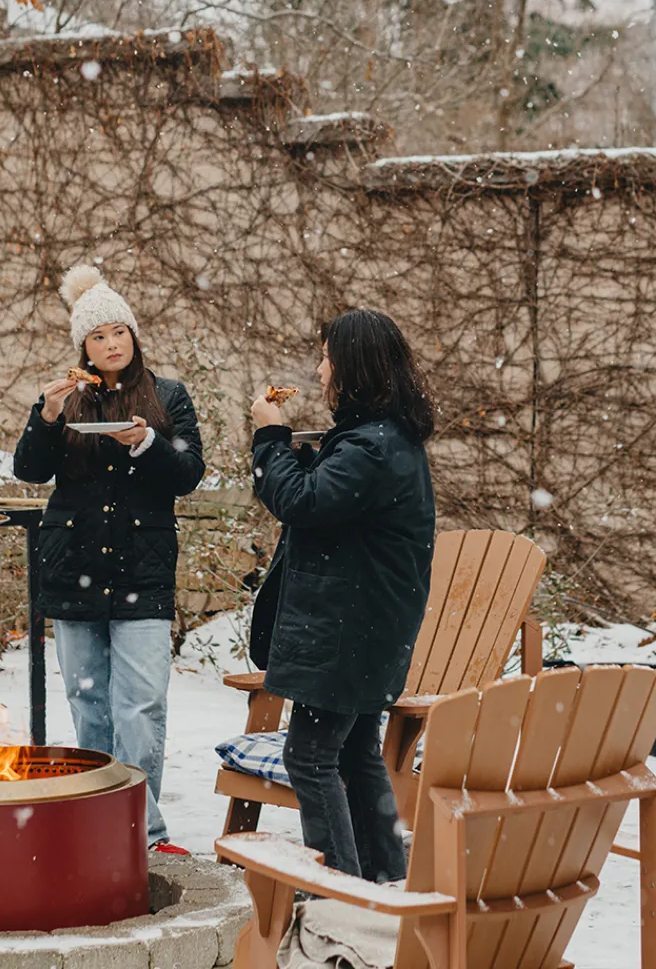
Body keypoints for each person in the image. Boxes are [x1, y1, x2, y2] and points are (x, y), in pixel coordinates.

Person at [13, 265, 205, 853]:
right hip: (73, 566)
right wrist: (45, 417)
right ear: (84, 347)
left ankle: (142, 831)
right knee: (88, 703)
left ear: (134, 336)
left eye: (119, 331)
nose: (111, 343)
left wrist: (146, 443)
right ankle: (95, 822)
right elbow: (29, 470)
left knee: (140, 706)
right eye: (98, 337)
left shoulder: (168, 396)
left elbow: (189, 473)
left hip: (142, 572)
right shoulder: (67, 398)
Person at [249, 308, 435, 883]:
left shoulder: (372, 446)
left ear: (353, 367)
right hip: (365, 630)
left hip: (345, 635)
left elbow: (303, 504)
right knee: (354, 754)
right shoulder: (380, 438)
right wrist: (308, 457)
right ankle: (383, 883)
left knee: (308, 758)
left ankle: (338, 901)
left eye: (327, 358)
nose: (319, 369)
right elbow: (332, 505)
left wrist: (269, 437)